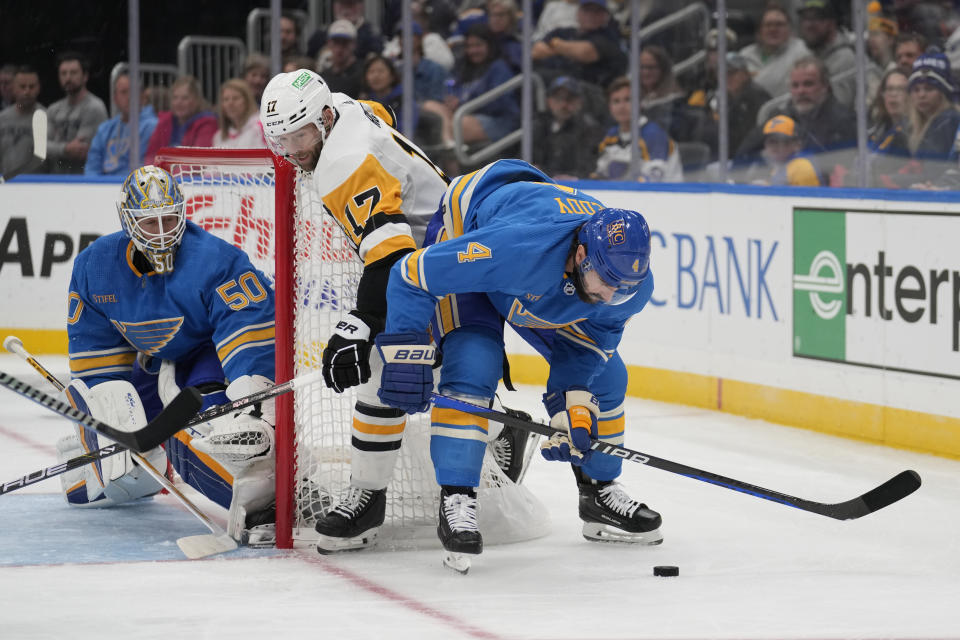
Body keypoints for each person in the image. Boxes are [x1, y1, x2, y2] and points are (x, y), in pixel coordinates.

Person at [372, 159, 663, 568]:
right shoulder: (511, 248)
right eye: (606, 282)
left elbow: (590, 346)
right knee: (474, 362)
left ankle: (598, 489)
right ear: (581, 254)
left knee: (610, 377)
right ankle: (457, 498)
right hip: (476, 227)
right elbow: (411, 275)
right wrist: (406, 353)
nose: (612, 295)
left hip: (541, 279)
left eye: (623, 288)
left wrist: (571, 407)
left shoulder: (627, 286)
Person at [257, 69, 451, 553]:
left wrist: (358, 324)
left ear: (323, 119)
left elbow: (391, 256)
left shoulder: (343, 162)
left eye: (299, 136)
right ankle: (494, 443)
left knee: (396, 368)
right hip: (435, 245)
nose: (292, 151)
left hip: (445, 257)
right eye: (280, 140)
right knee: (416, 370)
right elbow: (379, 114)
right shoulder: (343, 105)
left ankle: (369, 495)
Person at [59, 165, 277, 545]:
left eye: (169, 219)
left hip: (210, 354)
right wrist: (104, 419)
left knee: (201, 429)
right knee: (101, 481)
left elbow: (249, 328)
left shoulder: (216, 259)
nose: (162, 232)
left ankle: (267, 501)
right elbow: (97, 361)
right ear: (128, 221)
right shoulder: (95, 266)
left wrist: (248, 389)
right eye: (149, 223)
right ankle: (102, 454)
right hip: (151, 362)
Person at [736, 56, 856, 166]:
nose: (801, 91)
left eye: (808, 84)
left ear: (825, 86)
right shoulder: (780, 117)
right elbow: (743, 156)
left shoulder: (843, 120)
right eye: (795, 85)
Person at [440, 24, 519, 148]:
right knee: (437, 114)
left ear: (489, 45)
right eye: (469, 46)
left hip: (499, 121)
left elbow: (499, 103)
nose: (472, 51)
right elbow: (451, 89)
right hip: (464, 115)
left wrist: (462, 103)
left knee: (456, 126)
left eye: (478, 45)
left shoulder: (499, 68)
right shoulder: (463, 68)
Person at [592, 76, 683, 182]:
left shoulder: (653, 134)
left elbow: (654, 177)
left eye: (628, 100)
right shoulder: (611, 135)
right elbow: (601, 173)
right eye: (616, 101)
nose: (621, 106)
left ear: (639, 103)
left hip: (665, 196)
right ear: (609, 106)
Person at [532, 0, 626, 91]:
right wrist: (565, 49)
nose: (591, 15)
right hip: (551, 86)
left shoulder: (609, 36)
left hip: (591, 92)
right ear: (578, 13)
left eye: (597, 11)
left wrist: (555, 44)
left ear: (605, 16)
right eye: (587, 10)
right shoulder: (564, 32)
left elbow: (585, 52)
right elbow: (536, 51)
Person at [84, 71, 158, 176]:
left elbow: (145, 170)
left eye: (133, 92)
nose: (129, 97)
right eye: (123, 92)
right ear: (115, 98)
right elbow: (92, 169)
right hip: (102, 188)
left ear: (142, 96)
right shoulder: (105, 129)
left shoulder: (153, 127)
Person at [904, 49, 960, 185]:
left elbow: (931, 172)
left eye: (929, 88)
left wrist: (890, 180)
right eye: (916, 89)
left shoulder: (948, 120)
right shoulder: (911, 124)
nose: (921, 95)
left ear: (943, 92)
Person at [45, 51, 108, 174]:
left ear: (85, 76)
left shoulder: (94, 107)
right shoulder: (53, 109)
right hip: (54, 181)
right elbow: (41, 148)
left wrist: (55, 148)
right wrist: (65, 149)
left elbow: (80, 151)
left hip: (83, 181)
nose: (68, 78)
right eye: (63, 73)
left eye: (73, 73)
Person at [532, 76, 603, 179]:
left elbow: (589, 166)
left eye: (570, 99)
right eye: (558, 98)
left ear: (579, 102)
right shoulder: (538, 126)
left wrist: (575, 177)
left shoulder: (589, 129)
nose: (564, 104)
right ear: (549, 101)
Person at [739, 2, 811, 99]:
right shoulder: (745, 55)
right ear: (759, 30)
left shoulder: (802, 51)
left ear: (790, 29)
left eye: (779, 24)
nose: (773, 29)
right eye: (768, 25)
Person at [143, 75, 217, 165]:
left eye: (185, 98)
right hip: (162, 176)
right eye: (175, 97)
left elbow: (198, 161)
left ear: (197, 100)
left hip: (190, 178)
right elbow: (151, 154)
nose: (179, 102)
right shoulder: (165, 122)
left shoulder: (207, 124)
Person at [796, 0, 855, 108]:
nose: (809, 25)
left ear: (832, 23)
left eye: (816, 18)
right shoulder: (808, 54)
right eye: (805, 19)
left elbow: (840, 106)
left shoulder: (845, 57)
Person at [744, 115, 824, 186]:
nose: (779, 147)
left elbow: (805, 201)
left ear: (797, 145)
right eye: (772, 142)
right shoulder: (779, 166)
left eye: (786, 142)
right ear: (765, 145)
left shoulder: (801, 166)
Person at [867, 68, 911, 187]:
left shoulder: (911, 133)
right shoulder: (877, 128)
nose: (893, 94)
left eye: (900, 89)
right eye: (889, 89)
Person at [0, 66, 44, 178]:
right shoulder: (2, 118)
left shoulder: (47, 117)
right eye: (22, 86)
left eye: (31, 86)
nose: (27, 91)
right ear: (14, 88)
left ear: (38, 88)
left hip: (38, 185)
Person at [317, 19, 365, 98]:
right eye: (336, 42)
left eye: (344, 43)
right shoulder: (323, 76)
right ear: (329, 44)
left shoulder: (364, 73)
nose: (339, 48)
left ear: (354, 44)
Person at [212, 79, 266, 149]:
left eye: (235, 98)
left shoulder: (262, 127)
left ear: (247, 101)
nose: (230, 103)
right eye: (226, 99)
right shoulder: (218, 136)